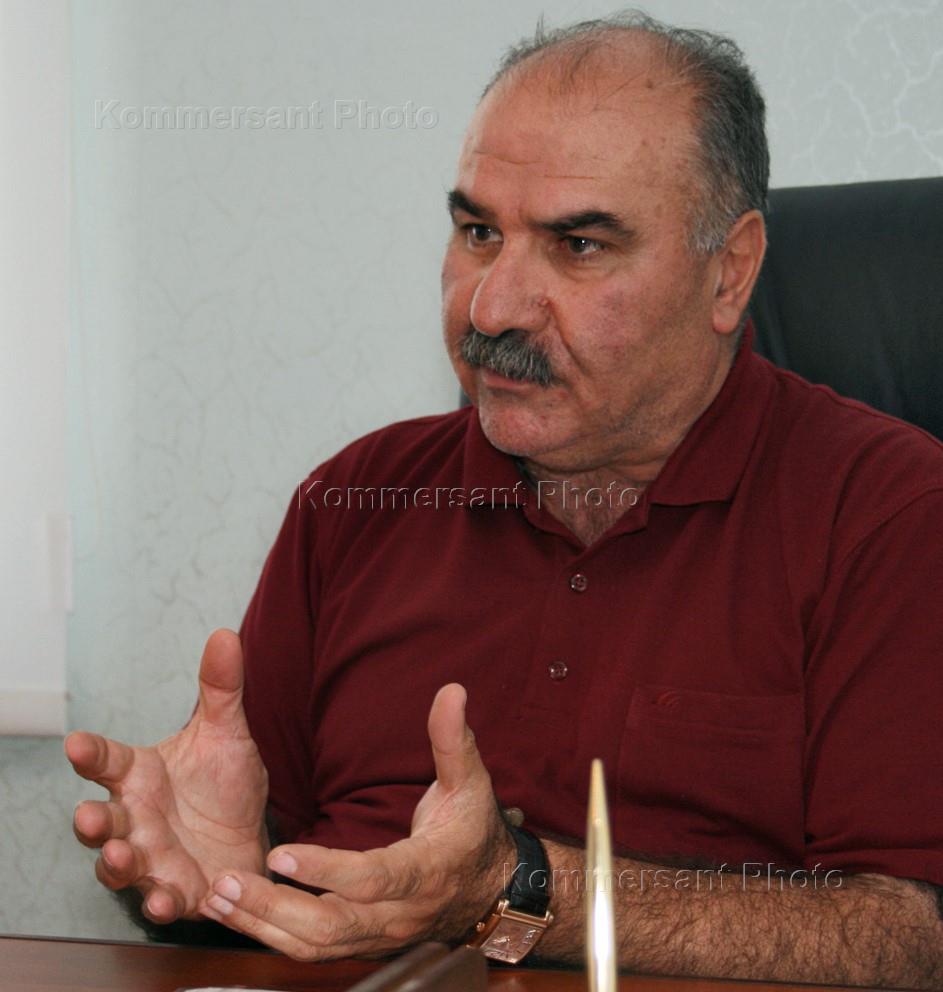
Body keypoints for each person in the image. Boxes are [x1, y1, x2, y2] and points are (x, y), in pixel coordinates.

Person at [65, 11, 943, 987]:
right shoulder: (354, 499)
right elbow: (270, 881)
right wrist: (216, 874)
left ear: (728, 273)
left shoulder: (889, 513)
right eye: (478, 232)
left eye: (578, 244)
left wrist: (518, 889)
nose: (490, 307)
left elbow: (909, 936)